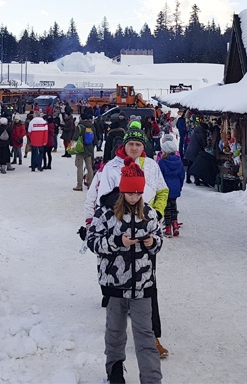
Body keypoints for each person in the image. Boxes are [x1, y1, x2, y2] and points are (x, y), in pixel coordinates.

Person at [84, 121, 170, 360]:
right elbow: (102, 198)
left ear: (144, 146)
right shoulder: (111, 167)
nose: (134, 148)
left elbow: (162, 191)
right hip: (118, 234)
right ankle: (115, 347)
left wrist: (158, 214)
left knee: (149, 286)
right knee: (117, 289)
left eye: (138, 144)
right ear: (124, 145)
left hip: (145, 232)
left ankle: (152, 337)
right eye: (131, 144)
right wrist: (116, 217)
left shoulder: (151, 165)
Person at [157, 134, 185, 237]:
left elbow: (159, 176)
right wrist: (180, 186)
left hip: (165, 187)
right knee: (174, 206)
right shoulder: (179, 161)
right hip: (176, 186)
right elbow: (182, 175)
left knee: (166, 208)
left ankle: (168, 228)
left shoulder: (162, 162)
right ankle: (175, 224)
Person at [72, 109, 97, 191]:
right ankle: (90, 184)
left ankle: (79, 185)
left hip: (80, 148)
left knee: (79, 167)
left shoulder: (80, 126)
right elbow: (95, 139)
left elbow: (75, 138)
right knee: (89, 167)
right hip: (89, 148)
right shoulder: (92, 126)